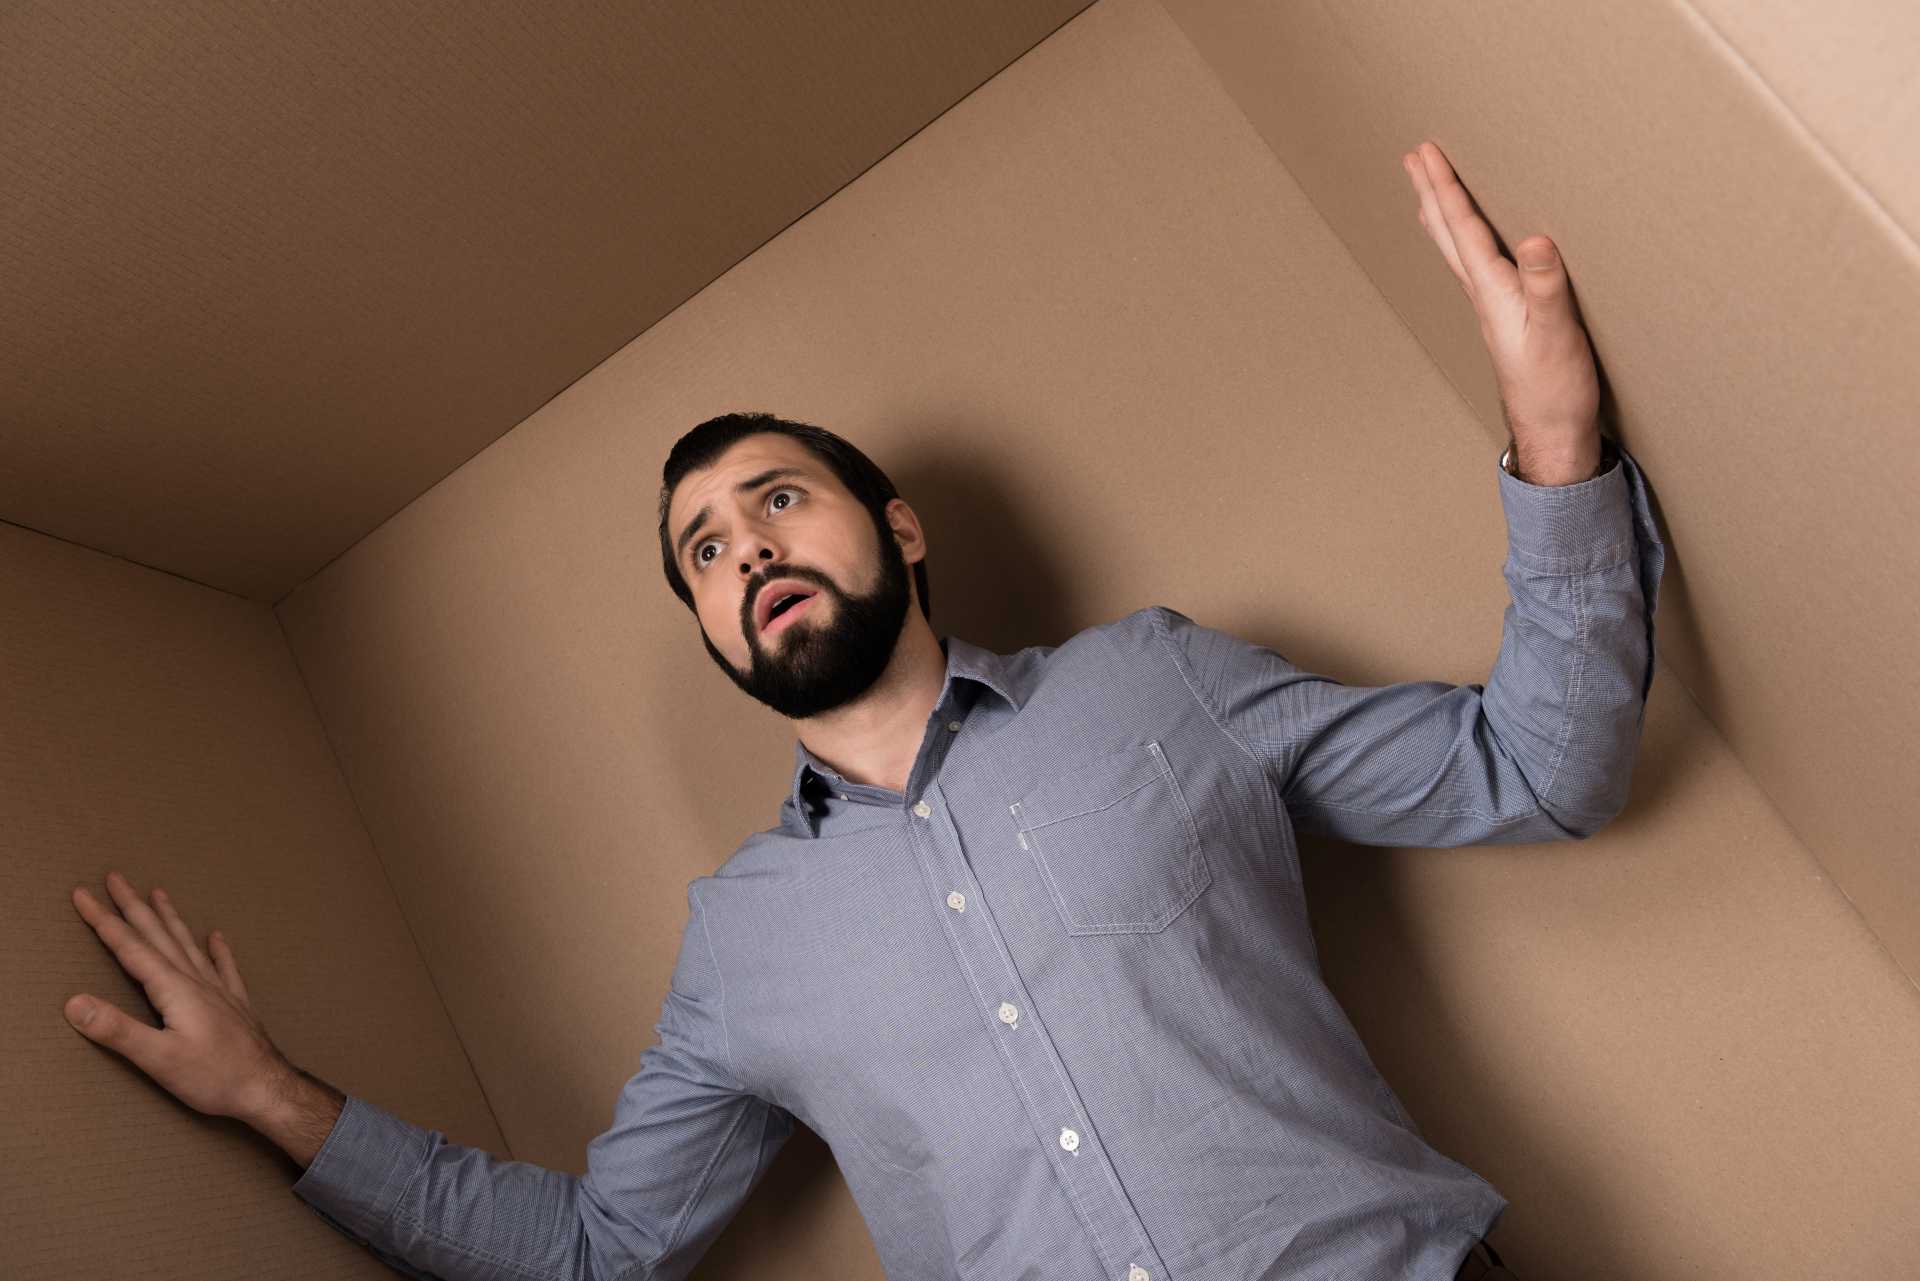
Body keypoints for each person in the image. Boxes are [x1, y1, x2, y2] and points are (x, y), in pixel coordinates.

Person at [65, 141, 1657, 1280]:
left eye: (776, 498)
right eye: (704, 547)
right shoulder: (742, 949)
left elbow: (1541, 767)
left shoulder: (1156, 682)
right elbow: (598, 1251)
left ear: (895, 526)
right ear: (713, 626)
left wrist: (1552, 419)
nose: (745, 542)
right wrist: (271, 1095)